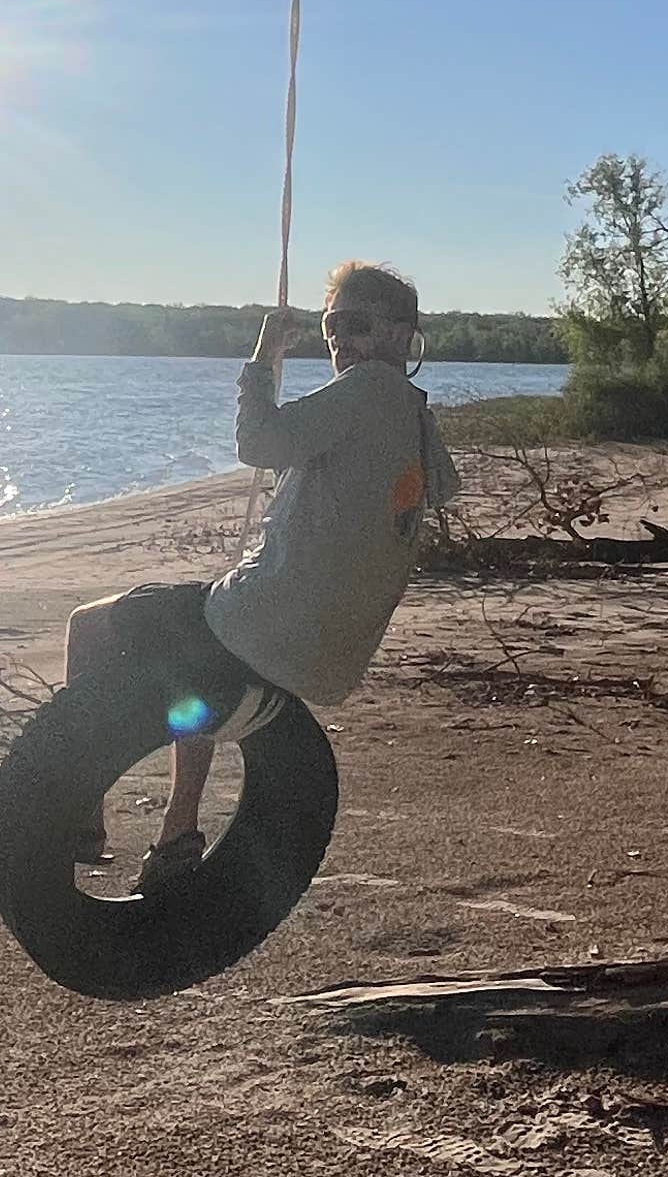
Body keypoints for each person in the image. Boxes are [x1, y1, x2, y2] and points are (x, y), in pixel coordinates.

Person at [61, 259, 461, 895]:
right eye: (331, 325)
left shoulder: (371, 389)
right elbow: (438, 486)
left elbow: (258, 442)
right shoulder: (410, 411)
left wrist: (260, 361)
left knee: (90, 627)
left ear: (401, 337)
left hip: (265, 622)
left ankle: (69, 809)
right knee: (193, 668)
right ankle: (176, 836)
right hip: (332, 657)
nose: (338, 340)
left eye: (355, 324)